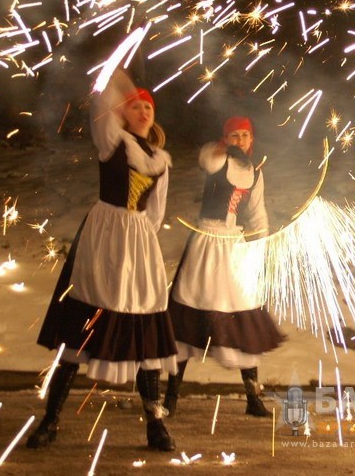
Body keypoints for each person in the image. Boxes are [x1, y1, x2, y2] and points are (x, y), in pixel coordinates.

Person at [26, 67, 177, 452]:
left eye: (148, 107)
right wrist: (119, 79)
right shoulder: (113, 141)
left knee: (143, 319)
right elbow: (100, 104)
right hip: (104, 237)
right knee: (86, 321)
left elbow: (156, 212)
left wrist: (139, 239)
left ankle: (155, 424)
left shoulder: (160, 160)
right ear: (123, 113)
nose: (143, 112)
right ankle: (50, 420)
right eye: (135, 107)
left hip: (138, 241)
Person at [164, 116, 284, 418]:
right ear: (225, 138)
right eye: (234, 135)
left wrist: (262, 247)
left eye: (244, 135)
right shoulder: (218, 160)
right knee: (190, 312)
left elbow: (257, 213)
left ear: (251, 139)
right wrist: (221, 147)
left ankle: (252, 396)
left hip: (235, 247)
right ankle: (170, 397)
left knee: (243, 313)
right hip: (207, 243)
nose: (239, 140)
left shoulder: (255, 172)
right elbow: (207, 158)